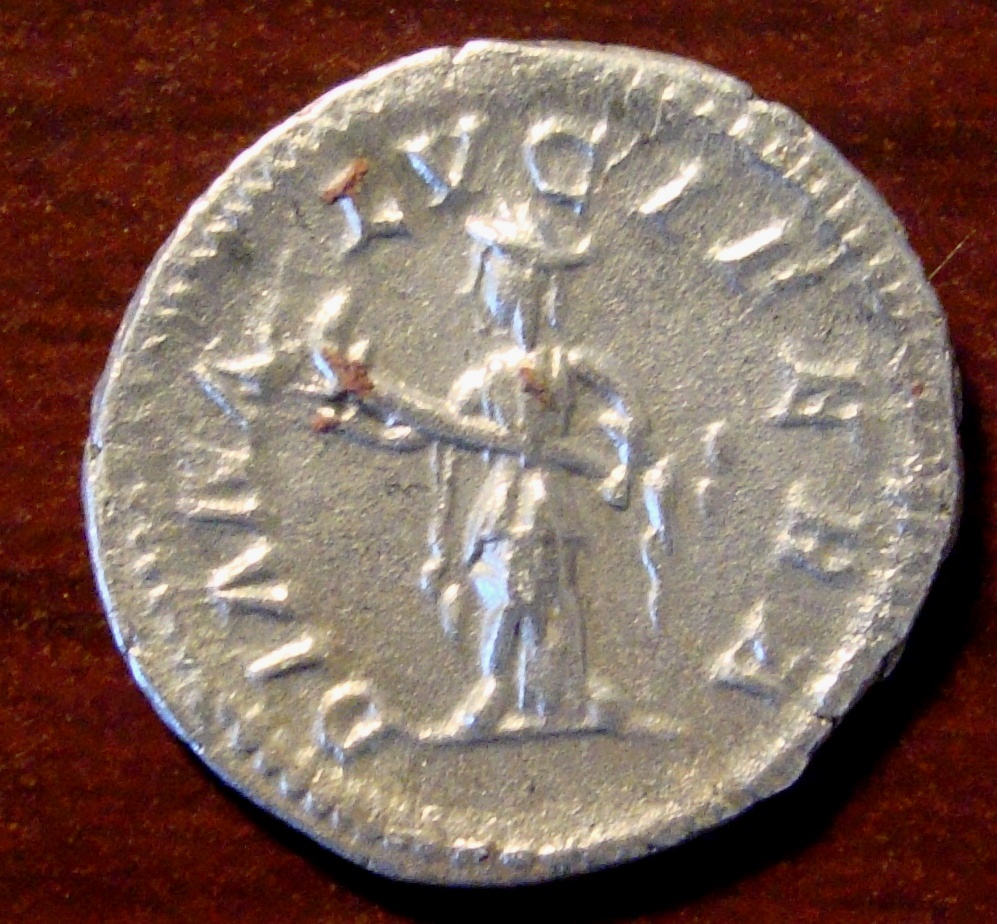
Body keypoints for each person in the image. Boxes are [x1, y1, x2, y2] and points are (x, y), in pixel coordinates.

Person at [313, 201, 644, 740]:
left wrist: (624, 464)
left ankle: (563, 690)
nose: (485, 281)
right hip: (503, 501)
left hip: (547, 498)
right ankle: (497, 686)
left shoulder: (568, 365)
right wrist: (356, 419)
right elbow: (418, 434)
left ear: (520, 281)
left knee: (554, 594)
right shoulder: (483, 377)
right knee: (506, 593)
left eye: (492, 268)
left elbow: (630, 409)